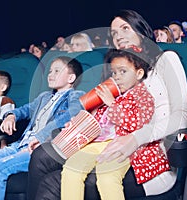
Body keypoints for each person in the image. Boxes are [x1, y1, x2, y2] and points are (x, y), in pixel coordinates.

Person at [28, 9, 187, 200]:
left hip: (148, 156)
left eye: (125, 28)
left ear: (141, 32)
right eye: (114, 33)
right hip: (105, 143)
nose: (119, 36)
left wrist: (137, 138)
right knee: (41, 156)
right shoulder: (117, 73)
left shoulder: (165, 59)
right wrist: (68, 133)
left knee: (54, 182)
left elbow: (183, 116)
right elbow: (101, 118)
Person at [0, 56, 85, 200]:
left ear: (71, 78)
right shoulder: (44, 97)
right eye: (50, 71)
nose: (50, 74)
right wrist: (10, 115)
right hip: (19, 145)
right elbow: (24, 110)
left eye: (57, 71)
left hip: (39, 150)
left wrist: (39, 137)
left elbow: (69, 116)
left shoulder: (76, 96)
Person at [61, 48, 164, 200]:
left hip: (123, 144)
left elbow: (138, 124)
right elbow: (96, 121)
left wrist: (112, 103)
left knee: (107, 177)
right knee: (71, 169)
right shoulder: (112, 94)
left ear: (139, 74)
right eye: (114, 73)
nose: (117, 77)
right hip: (97, 142)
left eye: (123, 72)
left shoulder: (143, 96)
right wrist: (78, 124)